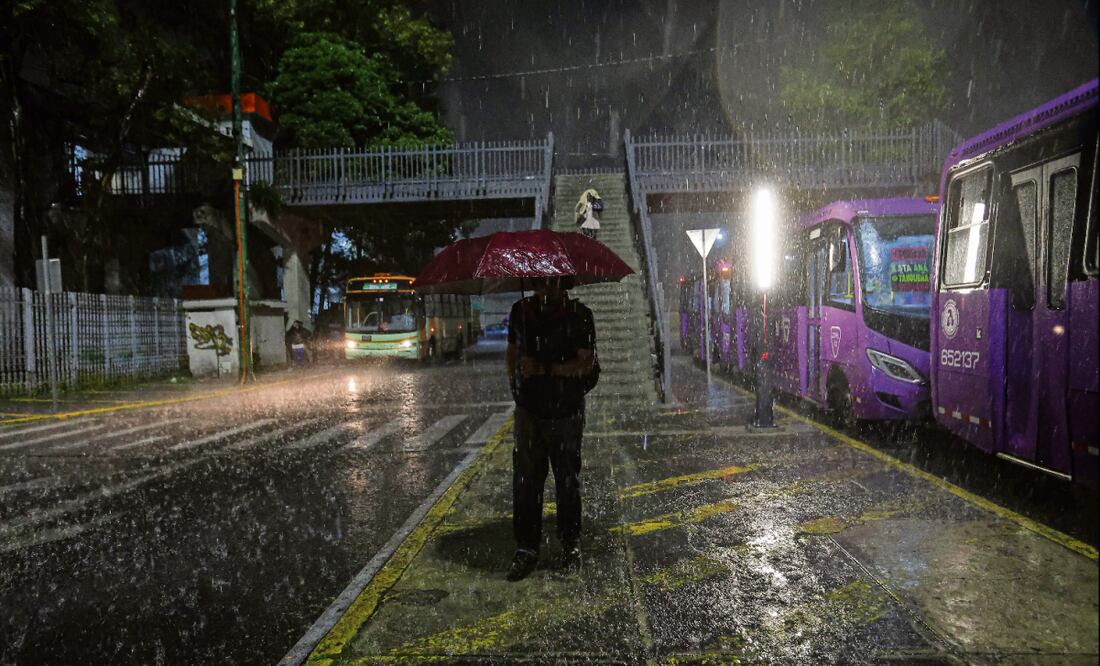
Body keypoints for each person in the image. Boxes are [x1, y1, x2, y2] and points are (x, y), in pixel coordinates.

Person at [505, 276, 596, 581]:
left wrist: (545, 369)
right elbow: (512, 352)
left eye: (551, 284)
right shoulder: (521, 311)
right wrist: (517, 382)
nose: (545, 290)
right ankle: (527, 547)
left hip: (566, 413)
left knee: (567, 482)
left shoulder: (580, 316)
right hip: (530, 413)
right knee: (526, 482)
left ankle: (569, 544)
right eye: (540, 284)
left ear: (564, 285)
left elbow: (586, 365)